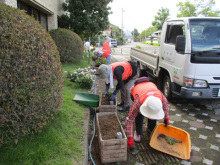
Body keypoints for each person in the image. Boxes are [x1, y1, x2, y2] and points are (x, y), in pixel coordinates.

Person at [125, 77, 170, 149]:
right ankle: (138, 132)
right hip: (137, 91)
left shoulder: (162, 99)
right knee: (139, 115)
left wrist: (166, 118)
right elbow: (129, 119)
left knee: (153, 112)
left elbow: (165, 108)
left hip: (150, 87)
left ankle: (150, 128)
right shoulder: (138, 102)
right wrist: (129, 138)